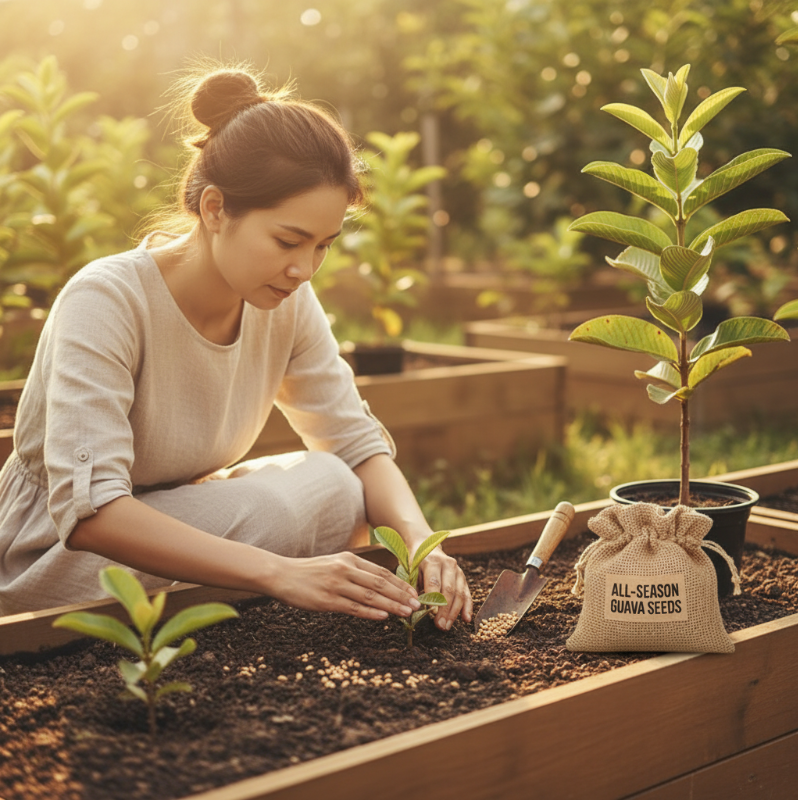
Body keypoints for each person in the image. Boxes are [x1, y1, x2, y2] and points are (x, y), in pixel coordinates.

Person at [0, 66, 473, 629]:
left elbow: (353, 443)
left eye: (323, 245)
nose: (304, 268)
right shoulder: (107, 299)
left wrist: (422, 547)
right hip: (56, 558)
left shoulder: (286, 299)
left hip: (181, 519)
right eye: (287, 241)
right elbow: (92, 514)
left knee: (336, 484)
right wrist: (278, 572)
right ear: (215, 209)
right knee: (279, 509)